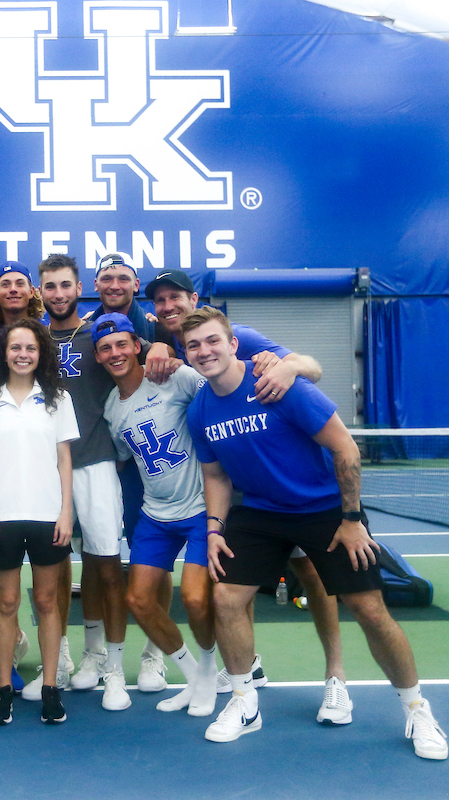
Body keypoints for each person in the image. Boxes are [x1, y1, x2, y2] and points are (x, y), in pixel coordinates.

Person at [181, 307, 448, 760]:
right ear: (187, 355)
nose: (204, 351)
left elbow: (345, 446)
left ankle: (417, 708)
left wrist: (351, 518)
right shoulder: (200, 410)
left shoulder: (281, 386)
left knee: (368, 608)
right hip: (262, 511)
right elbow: (217, 476)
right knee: (226, 598)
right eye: (194, 345)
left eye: (212, 341)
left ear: (232, 343)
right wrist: (214, 528)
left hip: (323, 507)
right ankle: (245, 703)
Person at [144, 269, 350, 719]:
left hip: (290, 486)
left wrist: (289, 367)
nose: (168, 306)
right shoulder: (170, 346)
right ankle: (248, 669)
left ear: (193, 297)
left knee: (313, 577)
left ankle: (335, 675)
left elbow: (310, 366)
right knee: (232, 588)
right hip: (236, 488)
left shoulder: (238, 335)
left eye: (175, 296)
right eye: (159, 301)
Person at [36, 254, 180, 709]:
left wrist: (163, 344)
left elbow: (148, 349)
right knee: (52, 569)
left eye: (66, 285)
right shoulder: (29, 338)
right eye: (50, 286)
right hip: (42, 471)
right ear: (42, 292)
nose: (58, 293)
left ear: (81, 289)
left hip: (99, 464)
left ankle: (112, 668)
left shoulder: (102, 333)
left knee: (105, 566)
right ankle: (67, 658)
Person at [93, 313, 220, 717]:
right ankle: (195, 679)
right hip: (156, 513)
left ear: (136, 346)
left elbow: (218, 391)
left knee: (196, 598)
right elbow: (125, 459)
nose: (115, 353)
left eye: (121, 344)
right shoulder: (112, 409)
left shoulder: (175, 378)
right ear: (98, 357)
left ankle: (213, 673)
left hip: (201, 507)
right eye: (106, 348)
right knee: (138, 599)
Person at [0, 318, 78, 725]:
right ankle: (4, 689)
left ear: (41, 352)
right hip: (2, 517)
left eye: (31, 348)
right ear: (4, 352)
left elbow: (64, 459)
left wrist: (66, 511)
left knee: (47, 602)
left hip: (49, 516)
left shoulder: (58, 398)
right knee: (6, 603)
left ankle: (50, 688)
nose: (23, 354)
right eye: (16, 347)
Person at [87, 252, 155, 340]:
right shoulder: (83, 330)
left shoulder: (156, 330)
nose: (115, 286)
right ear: (96, 285)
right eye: (107, 279)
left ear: (136, 285)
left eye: (123, 279)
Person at [0, 261, 44, 329]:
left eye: (20, 284)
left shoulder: (47, 332)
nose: (13, 289)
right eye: (5, 285)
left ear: (31, 292)